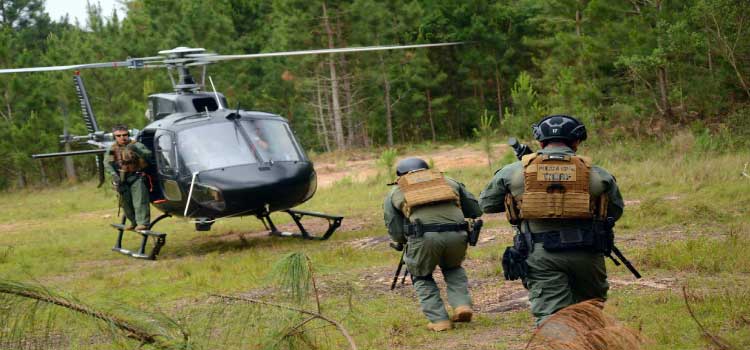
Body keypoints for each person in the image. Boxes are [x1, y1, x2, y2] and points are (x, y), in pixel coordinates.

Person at [479, 115, 624, 326]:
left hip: (540, 253)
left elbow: (487, 204)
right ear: (576, 142)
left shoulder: (514, 171)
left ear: (540, 142)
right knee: (591, 314)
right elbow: (615, 211)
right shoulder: (598, 174)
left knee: (553, 318)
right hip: (588, 254)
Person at [383, 157, 483, 331]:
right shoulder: (448, 181)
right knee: (453, 268)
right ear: (427, 170)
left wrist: (402, 242)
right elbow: (475, 210)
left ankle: (439, 320)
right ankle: (461, 305)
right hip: (457, 234)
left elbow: (395, 228)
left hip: (424, 237)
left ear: (400, 176)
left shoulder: (396, 191)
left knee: (421, 275)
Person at [106, 125, 153, 231]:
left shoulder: (136, 145)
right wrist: (114, 175)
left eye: (125, 135)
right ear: (115, 136)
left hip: (136, 176)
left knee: (140, 201)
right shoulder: (112, 149)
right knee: (125, 203)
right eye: (118, 135)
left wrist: (136, 149)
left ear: (128, 135)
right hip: (122, 179)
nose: (122, 137)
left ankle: (142, 223)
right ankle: (133, 222)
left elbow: (148, 155)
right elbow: (108, 163)